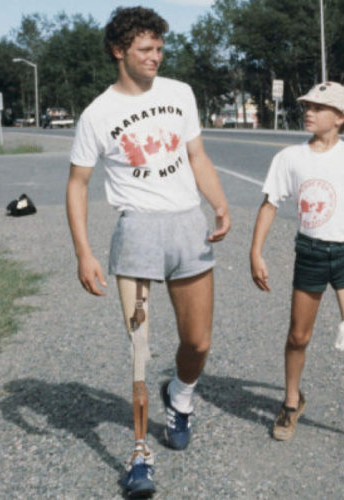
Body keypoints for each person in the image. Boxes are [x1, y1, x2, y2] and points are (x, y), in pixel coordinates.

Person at [66, 6, 230, 496]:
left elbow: (196, 155)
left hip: (187, 226)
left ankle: (180, 395)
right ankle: (140, 456)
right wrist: (84, 252)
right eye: (145, 49)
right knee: (139, 350)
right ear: (119, 51)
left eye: (159, 48)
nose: (155, 56)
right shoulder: (98, 113)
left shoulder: (180, 93)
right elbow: (77, 185)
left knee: (197, 342)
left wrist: (218, 203)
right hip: (136, 230)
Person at [250, 81, 344, 450]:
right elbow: (269, 205)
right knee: (298, 336)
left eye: (318, 107)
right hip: (310, 254)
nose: (308, 112)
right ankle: (291, 402)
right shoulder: (289, 158)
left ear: (340, 117)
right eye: (307, 106)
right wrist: (256, 252)